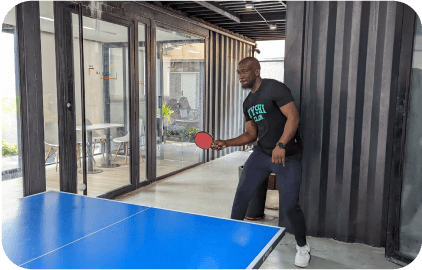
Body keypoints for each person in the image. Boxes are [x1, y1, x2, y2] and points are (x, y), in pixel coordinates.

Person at [210, 57, 311, 268]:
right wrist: (225, 142)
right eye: (238, 72)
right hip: (261, 154)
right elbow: (250, 135)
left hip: (287, 156)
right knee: (241, 195)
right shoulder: (248, 103)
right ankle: (231, 238)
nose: (241, 75)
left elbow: (293, 117)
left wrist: (281, 145)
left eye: (245, 71)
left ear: (256, 71)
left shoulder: (274, 88)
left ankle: (302, 246)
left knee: (291, 206)